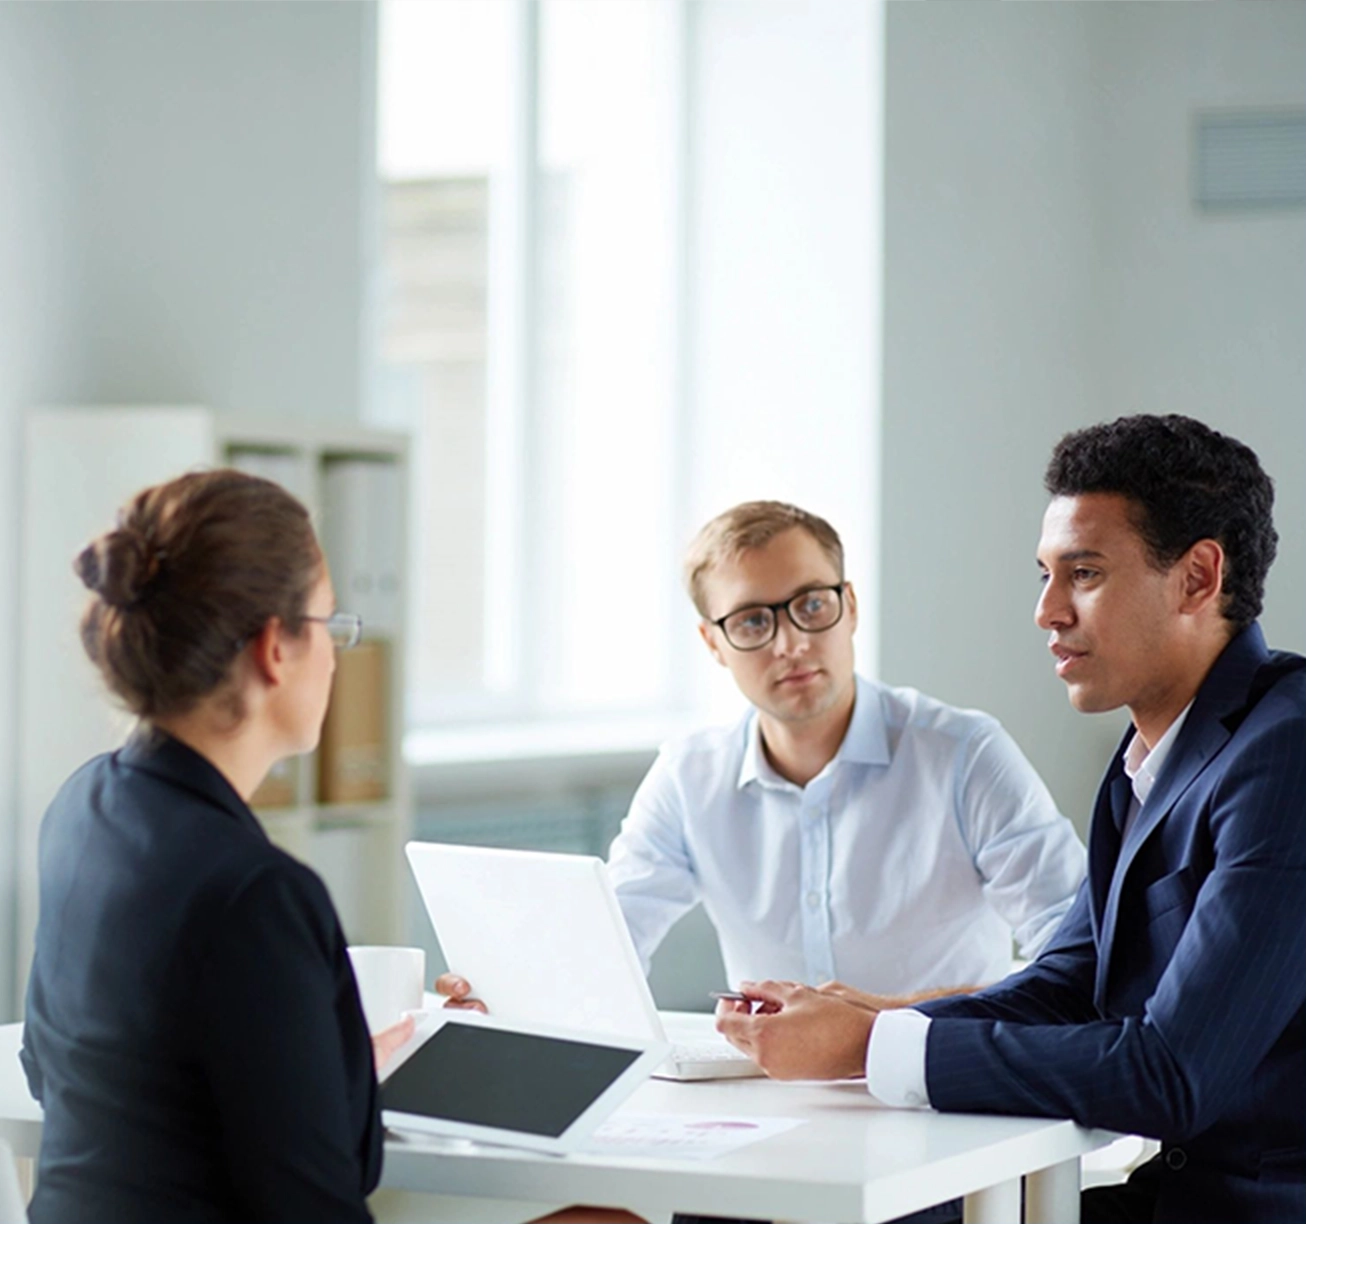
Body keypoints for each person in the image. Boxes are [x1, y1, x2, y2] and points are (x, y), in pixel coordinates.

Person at [716, 415, 1309, 1223]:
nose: (1047, 611)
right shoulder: (1151, 751)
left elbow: (1173, 1073)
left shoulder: (1294, 752)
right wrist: (868, 1020)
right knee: (757, 1218)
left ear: (1198, 577)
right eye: (1045, 575)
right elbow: (1068, 984)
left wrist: (868, 1046)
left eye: (1086, 573)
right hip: (1171, 1197)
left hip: (1261, 1216)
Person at [19, 470, 638, 1225]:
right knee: (614, 1224)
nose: (338, 655)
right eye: (329, 625)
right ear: (274, 649)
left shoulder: (84, 807)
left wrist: (322, 1070)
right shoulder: (256, 891)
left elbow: (58, 1070)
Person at [604, 500, 1086, 1004]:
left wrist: (878, 1025)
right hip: (767, 1083)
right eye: (750, 622)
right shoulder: (688, 778)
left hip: (941, 1073)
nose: (790, 644)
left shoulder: (964, 755)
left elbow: (1079, 956)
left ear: (849, 606)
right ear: (713, 643)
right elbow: (607, 945)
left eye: (811, 605)